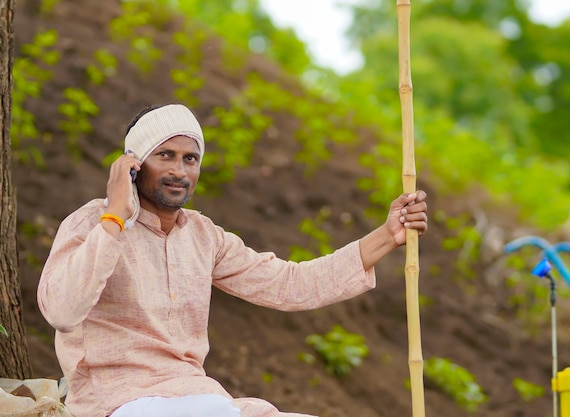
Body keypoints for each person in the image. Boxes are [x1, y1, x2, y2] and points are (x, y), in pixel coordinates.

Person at [37, 103, 428, 417]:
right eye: (165, 155)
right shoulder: (92, 222)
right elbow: (61, 311)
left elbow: (288, 284)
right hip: (115, 400)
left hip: (195, 396)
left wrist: (387, 235)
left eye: (190, 159)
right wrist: (115, 218)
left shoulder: (205, 236)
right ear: (132, 164)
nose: (179, 170)